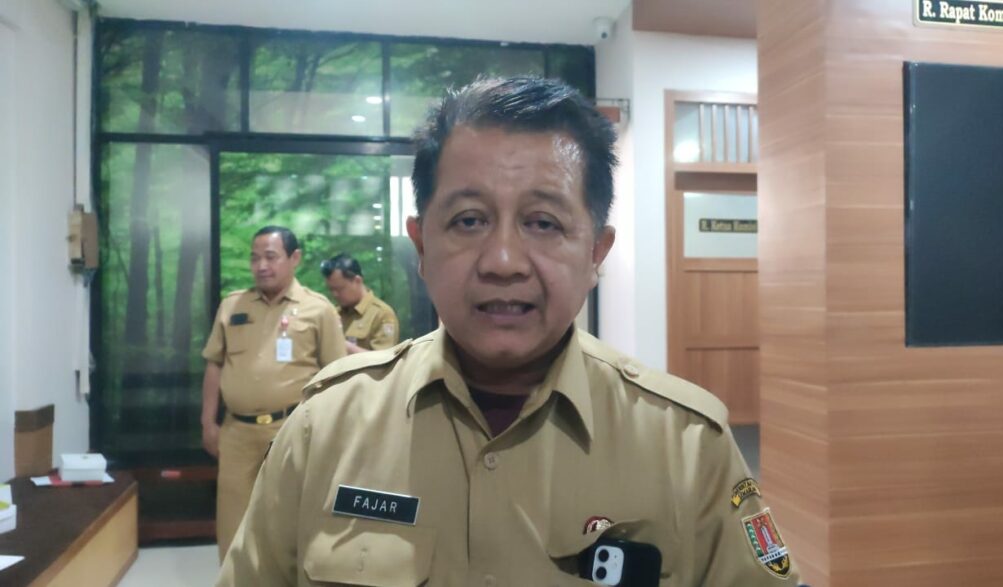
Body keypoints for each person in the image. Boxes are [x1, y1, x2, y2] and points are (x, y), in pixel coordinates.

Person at [218, 78, 801, 585]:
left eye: (543, 222)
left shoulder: (688, 444)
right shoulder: (324, 426)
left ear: (596, 253)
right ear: (422, 246)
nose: (502, 261)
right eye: (469, 220)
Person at [200, 225, 346, 562]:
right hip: (237, 433)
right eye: (255, 258)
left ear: (295, 258)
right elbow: (214, 364)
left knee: (290, 524)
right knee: (233, 523)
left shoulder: (318, 309)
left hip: (292, 431)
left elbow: (337, 375)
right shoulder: (232, 305)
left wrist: (332, 432)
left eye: (270, 257)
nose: (261, 266)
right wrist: (208, 422)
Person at [320, 253, 400, 353]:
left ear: (357, 281)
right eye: (331, 290)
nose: (335, 294)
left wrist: (343, 345)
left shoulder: (381, 314)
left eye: (340, 289)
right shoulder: (334, 314)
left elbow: (384, 359)